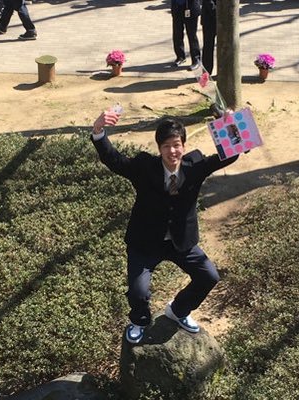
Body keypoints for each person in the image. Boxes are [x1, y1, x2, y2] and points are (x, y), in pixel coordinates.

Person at [91, 109, 239, 344]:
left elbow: (228, 156)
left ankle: (178, 310)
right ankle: (139, 321)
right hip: (145, 242)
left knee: (209, 276)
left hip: (181, 241)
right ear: (159, 148)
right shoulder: (144, 167)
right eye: (167, 146)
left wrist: (229, 126)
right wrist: (98, 131)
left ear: (184, 145)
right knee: (139, 292)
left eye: (177, 145)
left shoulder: (195, 165)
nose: (173, 151)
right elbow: (115, 160)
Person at [171, 0, 201, 71]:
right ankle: (180, 57)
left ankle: (196, 60)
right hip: (177, 8)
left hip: (190, 7)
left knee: (192, 35)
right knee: (177, 34)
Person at [201, 0, 217, 75]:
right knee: (208, 47)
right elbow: (209, 3)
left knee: (226, 46)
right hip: (209, 20)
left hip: (224, 19)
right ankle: (206, 73)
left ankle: (225, 72)